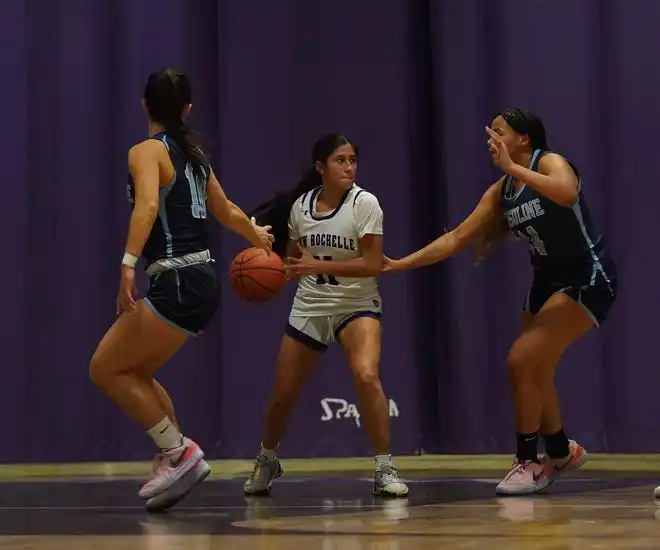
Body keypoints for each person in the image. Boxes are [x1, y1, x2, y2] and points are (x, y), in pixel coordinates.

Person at [385, 108, 617, 496]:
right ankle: (560, 451)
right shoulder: (501, 191)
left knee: (520, 361)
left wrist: (514, 167)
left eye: (499, 131)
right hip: (546, 282)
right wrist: (398, 264)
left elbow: (567, 192)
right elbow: (456, 237)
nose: (490, 138)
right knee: (533, 370)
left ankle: (529, 462)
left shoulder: (550, 162)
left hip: (587, 278)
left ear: (523, 139)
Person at [88, 68, 273, 511]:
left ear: (144, 104)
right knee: (137, 373)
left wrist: (128, 263)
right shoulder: (194, 154)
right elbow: (226, 209)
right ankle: (173, 455)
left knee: (105, 369)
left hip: (174, 277)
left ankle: (178, 452)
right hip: (203, 281)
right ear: (187, 109)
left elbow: (149, 205)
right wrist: (256, 237)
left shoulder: (146, 151)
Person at [243, 133, 408, 498]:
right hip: (312, 303)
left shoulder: (365, 204)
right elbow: (291, 260)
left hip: (357, 303)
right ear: (321, 167)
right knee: (282, 395)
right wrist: (272, 273)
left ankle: (384, 467)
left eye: (352, 159)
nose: (349, 166)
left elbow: (372, 264)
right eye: (340, 160)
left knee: (366, 374)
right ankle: (267, 458)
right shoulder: (301, 207)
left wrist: (312, 264)